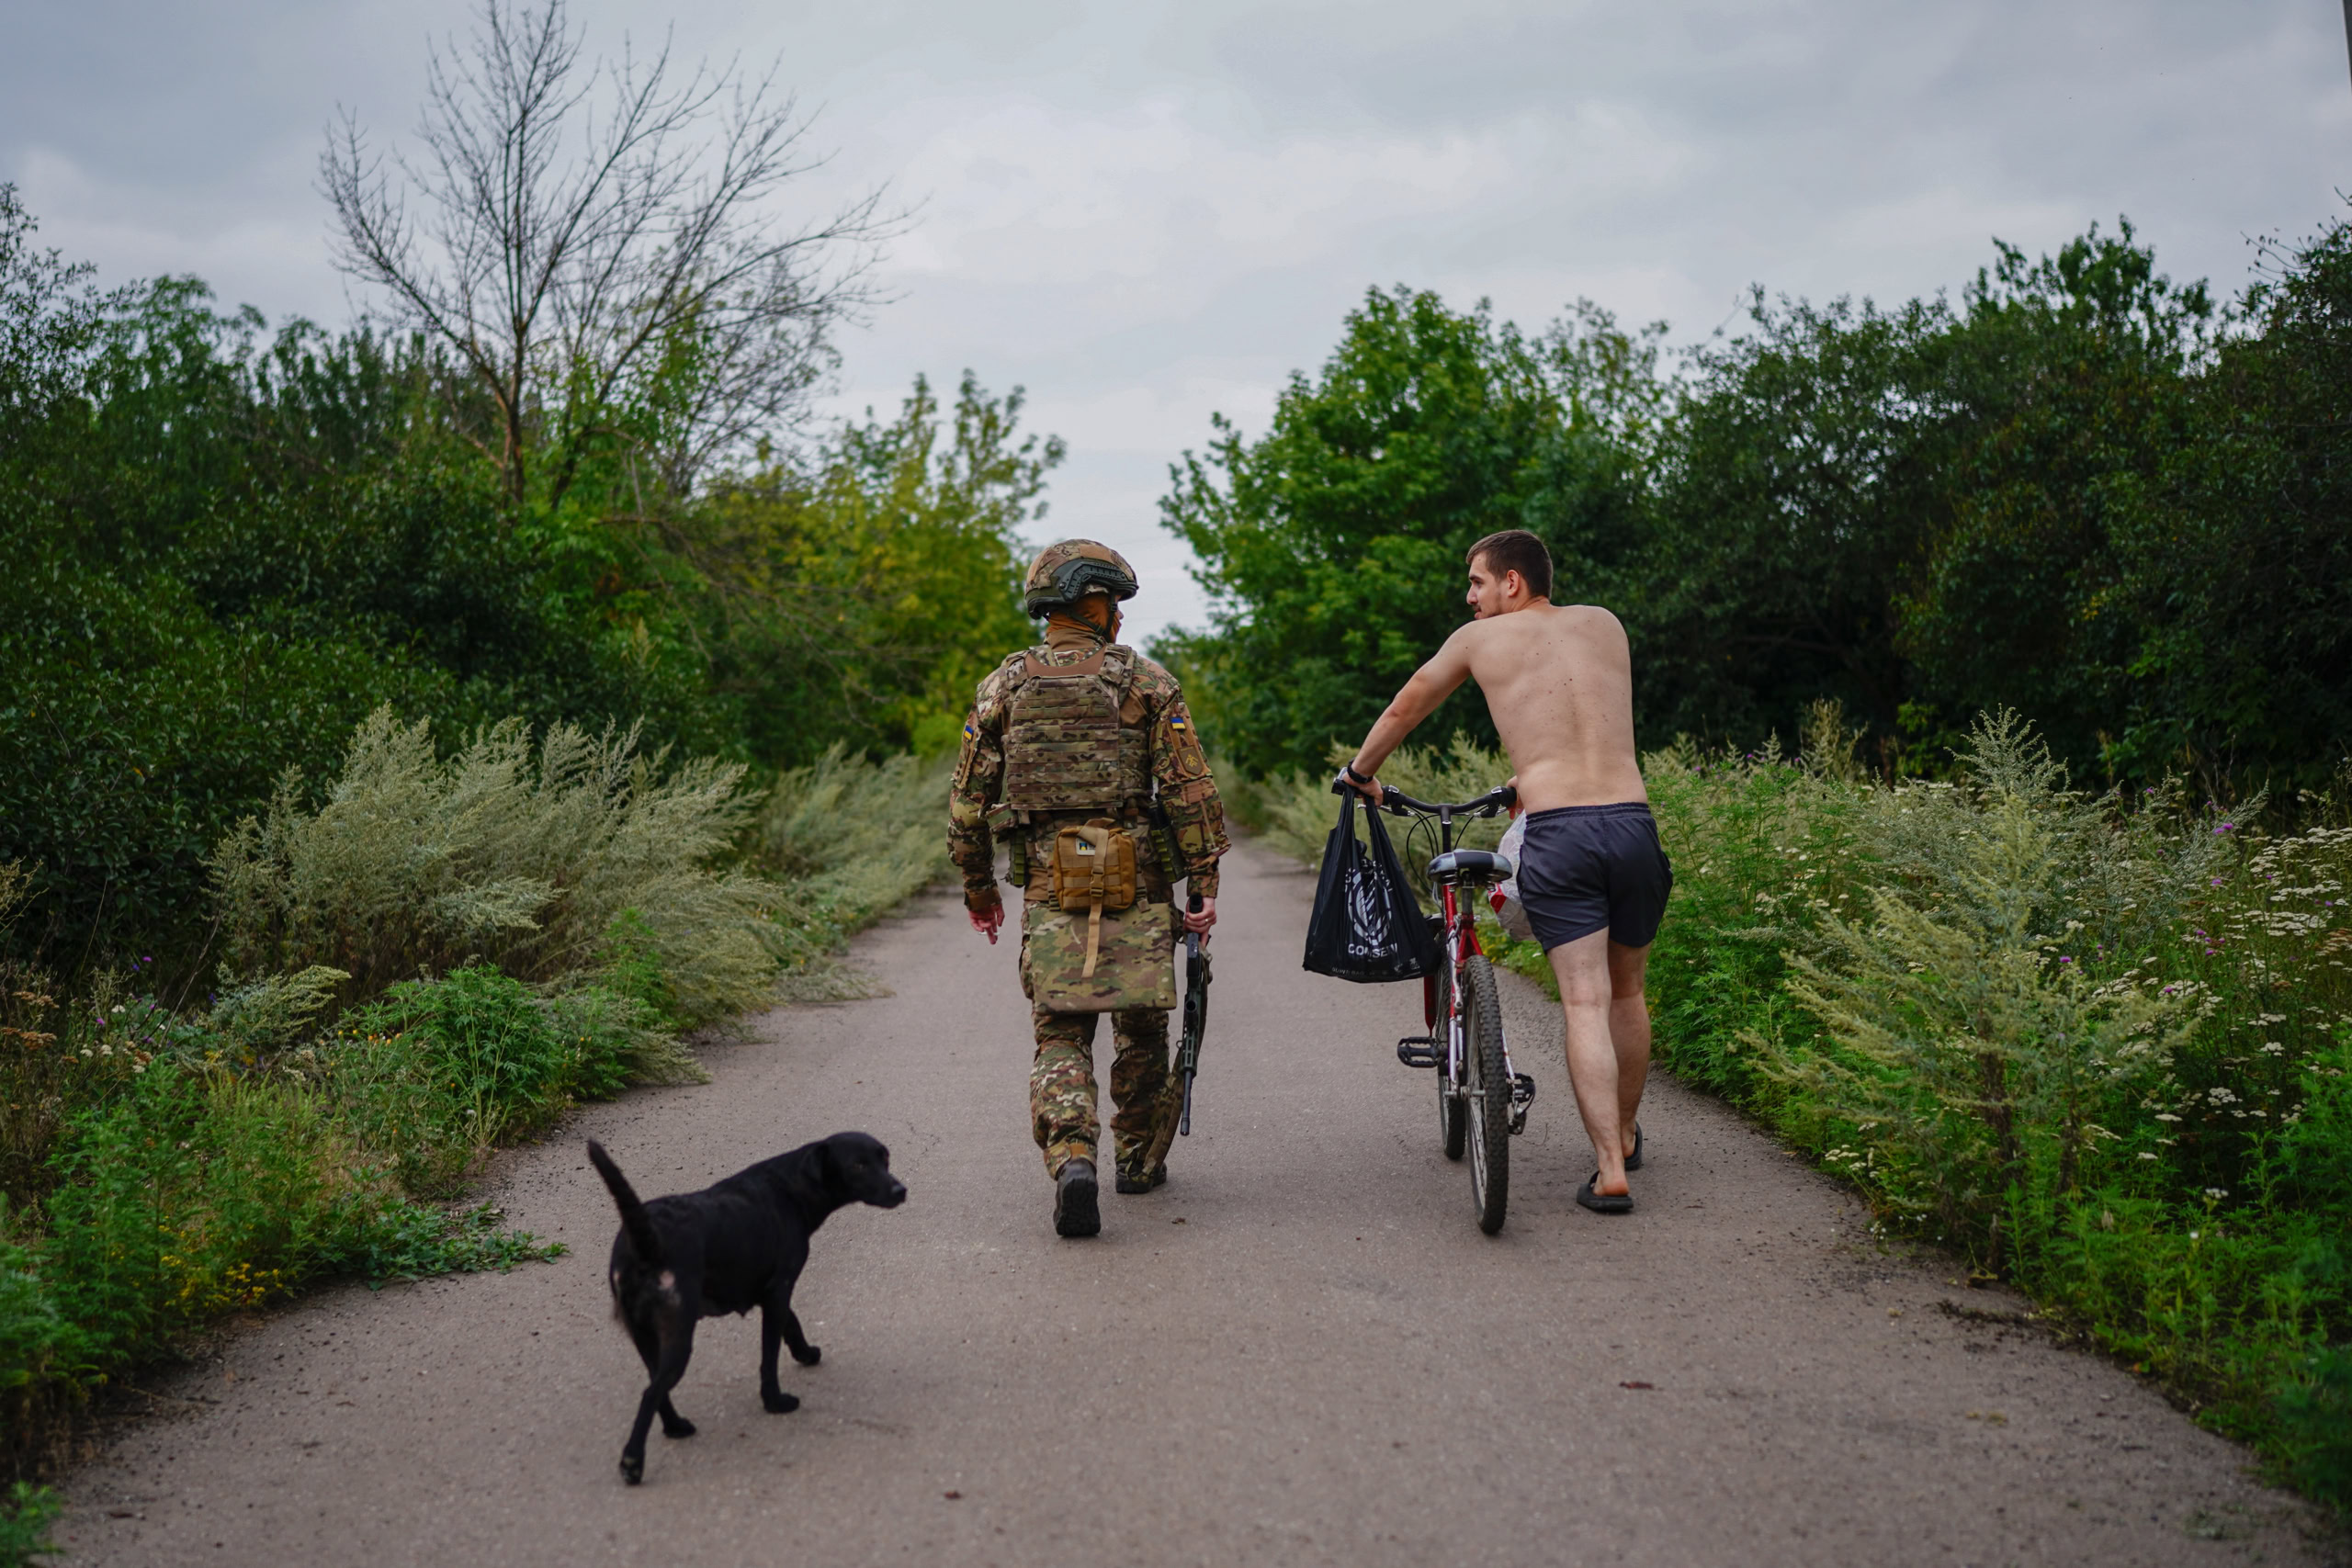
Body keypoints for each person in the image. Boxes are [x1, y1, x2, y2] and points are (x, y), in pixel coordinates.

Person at [1337, 529, 1669, 1214]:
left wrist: (1360, 772)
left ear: (1511, 582)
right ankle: (1627, 1134)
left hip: (1562, 834)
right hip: (1633, 825)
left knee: (1582, 998)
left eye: (1477, 582)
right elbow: (1580, 713)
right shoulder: (1605, 624)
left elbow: (1406, 707)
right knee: (1626, 994)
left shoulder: (1477, 640)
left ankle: (1611, 1168)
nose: (1470, 597)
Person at [949, 540, 1229, 1237]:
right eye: (1114, 605)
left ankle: (1073, 1153)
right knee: (1141, 1024)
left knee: (1061, 1032)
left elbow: (965, 806)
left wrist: (980, 887)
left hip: (1052, 885)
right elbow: (1192, 792)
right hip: (1136, 879)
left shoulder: (1002, 687)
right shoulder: (1146, 682)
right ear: (1091, 603)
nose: (1119, 621)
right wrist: (1202, 883)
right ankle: (1136, 1157)